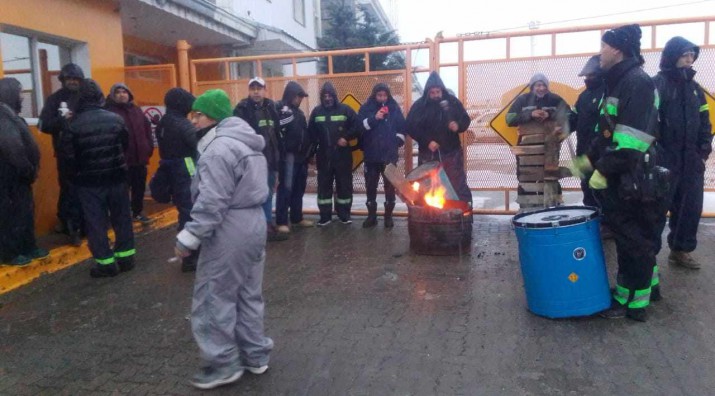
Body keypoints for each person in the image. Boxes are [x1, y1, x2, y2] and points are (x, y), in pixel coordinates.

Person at [174, 89, 273, 390]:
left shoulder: (218, 150)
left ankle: (222, 363)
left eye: (199, 114)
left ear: (214, 116)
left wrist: (188, 238)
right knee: (247, 294)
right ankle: (255, 355)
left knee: (213, 295)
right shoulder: (248, 144)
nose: (194, 120)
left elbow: (212, 202)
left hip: (230, 227)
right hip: (254, 222)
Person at [573, 24, 661, 321]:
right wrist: (585, 163)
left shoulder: (637, 83)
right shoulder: (617, 83)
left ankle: (638, 304)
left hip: (635, 177)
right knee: (625, 236)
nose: (600, 53)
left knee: (636, 240)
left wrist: (603, 171)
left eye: (603, 47)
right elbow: (605, 133)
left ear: (618, 50)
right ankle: (624, 293)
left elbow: (632, 142)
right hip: (621, 176)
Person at [61, 79, 135, 278]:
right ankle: (126, 258)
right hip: (117, 178)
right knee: (122, 218)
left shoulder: (72, 124)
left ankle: (106, 264)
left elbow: (68, 157)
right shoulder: (115, 119)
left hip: (89, 183)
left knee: (96, 223)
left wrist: (75, 177)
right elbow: (124, 146)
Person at [653, 36, 712, 270]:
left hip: (691, 160)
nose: (689, 60)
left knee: (690, 207)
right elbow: (648, 122)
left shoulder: (696, 89)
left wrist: (703, 151)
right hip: (664, 160)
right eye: (685, 55)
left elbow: (705, 123)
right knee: (656, 209)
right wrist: (656, 154)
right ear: (672, 56)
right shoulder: (657, 84)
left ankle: (680, 250)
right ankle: (648, 256)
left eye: (692, 56)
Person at [0, 78, 48, 266]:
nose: (22, 97)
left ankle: (28, 247)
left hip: (18, 176)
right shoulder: (3, 116)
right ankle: (10, 253)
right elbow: (12, 147)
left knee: (24, 212)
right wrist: (27, 169)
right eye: (20, 92)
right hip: (10, 176)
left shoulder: (10, 114)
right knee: (11, 214)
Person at [151, 88, 199, 272]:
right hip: (185, 169)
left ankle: (187, 253)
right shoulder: (183, 125)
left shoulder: (163, 123)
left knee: (184, 210)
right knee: (190, 211)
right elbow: (197, 146)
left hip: (171, 169)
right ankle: (190, 255)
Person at [405, 71, 472, 204]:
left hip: (451, 152)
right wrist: (427, 141)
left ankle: (462, 216)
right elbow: (411, 126)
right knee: (427, 186)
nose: (436, 95)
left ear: (442, 90)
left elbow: (465, 119)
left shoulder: (453, 102)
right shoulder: (419, 106)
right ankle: (427, 217)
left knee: (457, 184)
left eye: (438, 92)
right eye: (433, 93)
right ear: (428, 92)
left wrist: (458, 125)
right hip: (428, 154)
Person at [233, 77, 287, 241]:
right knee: (252, 194)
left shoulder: (271, 107)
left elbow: (277, 133)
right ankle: (255, 228)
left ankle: (266, 225)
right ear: (249, 91)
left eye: (259, 88)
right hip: (251, 162)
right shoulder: (242, 109)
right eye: (253, 88)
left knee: (268, 193)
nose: (256, 91)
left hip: (270, 160)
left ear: (265, 90)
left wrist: (279, 156)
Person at [38, 63, 85, 246]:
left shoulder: (86, 98)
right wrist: (62, 120)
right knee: (69, 190)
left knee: (85, 190)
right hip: (65, 154)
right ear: (63, 81)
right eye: (69, 79)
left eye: (76, 79)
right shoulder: (54, 100)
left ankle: (85, 225)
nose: (72, 82)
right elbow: (44, 125)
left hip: (86, 153)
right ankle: (70, 227)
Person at [308, 82, 360, 226]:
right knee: (324, 186)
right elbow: (311, 134)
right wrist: (310, 153)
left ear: (335, 96)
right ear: (321, 97)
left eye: (330, 95)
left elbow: (358, 126)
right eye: (325, 96)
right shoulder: (316, 112)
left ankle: (344, 215)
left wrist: (346, 137)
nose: (327, 98)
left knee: (344, 185)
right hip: (323, 155)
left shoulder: (345, 110)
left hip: (342, 155)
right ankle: (325, 216)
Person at [358, 83, 406, 228]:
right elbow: (359, 127)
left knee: (390, 186)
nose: (382, 98)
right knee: (370, 186)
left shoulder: (394, 108)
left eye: (384, 95)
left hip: (389, 156)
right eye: (379, 95)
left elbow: (402, 128)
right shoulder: (366, 108)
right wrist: (375, 118)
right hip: (371, 156)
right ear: (374, 95)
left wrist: (396, 141)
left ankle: (388, 217)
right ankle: (371, 216)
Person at [105, 83, 154, 224]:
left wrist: (148, 148)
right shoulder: (109, 112)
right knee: (121, 192)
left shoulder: (137, 110)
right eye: (118, 92)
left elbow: (147, 130)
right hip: (122, 161)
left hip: (140, 159)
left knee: (139, 188)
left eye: (124, 92)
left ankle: (137, 212)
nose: (122, 95)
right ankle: (122, 217)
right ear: (113, 96)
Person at [274, 81, 314, 233]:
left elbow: (305, 134)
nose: (300, 99)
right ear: (290, 95)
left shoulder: (300, 113)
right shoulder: (280, 109)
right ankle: (281, 221)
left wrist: (309, 154)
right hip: (288, 157)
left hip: (301, 158)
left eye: (302, 97)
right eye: (298, 96)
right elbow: (277, 127)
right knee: (285, 189)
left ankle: (297, 218)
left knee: (299, 189)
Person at [569, 56, 606, 208]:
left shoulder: (608, 92)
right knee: (587, 190)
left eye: (592, 75)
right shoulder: (583, 96)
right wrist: (562, 126)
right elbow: (574, 118)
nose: (588, 79)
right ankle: (591, 226)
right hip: (583, 154)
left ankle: (605, 227)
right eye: (587, 76)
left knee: (603, 194)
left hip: (601, 155)